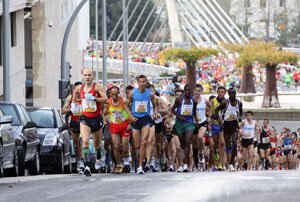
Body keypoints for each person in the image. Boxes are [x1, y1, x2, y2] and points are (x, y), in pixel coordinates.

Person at [71, 68, 108, 176]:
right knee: (85, 141)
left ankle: (98, 157)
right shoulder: (79, 88)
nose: (87, 77)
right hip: (85, 118)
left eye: (89, 75)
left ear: (93, 76)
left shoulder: (97, 87)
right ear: (83, 76)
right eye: (85, 75)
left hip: (96, 118)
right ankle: (87, 166)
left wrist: (94, 98)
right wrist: (73, 104)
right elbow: (74, 94)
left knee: (97, 145)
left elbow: (106, 99)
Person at [124, 75, 157, 174]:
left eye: (144, 82)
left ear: (146, 83)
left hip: (146, 119)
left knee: (144, 142)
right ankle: (139, 158)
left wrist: (155, 113)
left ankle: (140, 166)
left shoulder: (150, 93)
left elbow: (155, 104)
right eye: (140, 82)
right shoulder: (133, 93)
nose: (142, 83)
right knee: (137, 145)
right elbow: (125, 105)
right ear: (138, 83)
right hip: (135, 120)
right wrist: (131, 116)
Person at [216, 87, 243, 171]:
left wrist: (240, 117)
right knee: (228, 145)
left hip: (234, 124)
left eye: (234, 94)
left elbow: (241, 112)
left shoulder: (239, 103)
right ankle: (227, 161)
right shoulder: (225, 102)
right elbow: (216, 110)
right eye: (230, 94)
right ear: (228, 94)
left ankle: (231, 163)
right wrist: (220, 123)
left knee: (235, 142)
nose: (232, 95)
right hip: (226, 124)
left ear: (235, 94)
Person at [171, 84, 196, 172]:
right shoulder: (179, 100)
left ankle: (185, 164)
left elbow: (194, 111)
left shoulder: (194, 100)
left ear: (191, 91)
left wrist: (195, 121)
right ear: (184, 91)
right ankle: (181, 163)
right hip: (180, 123)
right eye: (187, 91)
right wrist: (179, 116)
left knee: (188, 141)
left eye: (190, 91)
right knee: (182, 144)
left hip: (189, 123)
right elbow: (172, 109)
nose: (188, 92)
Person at [106, 86, 130, 174]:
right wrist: (105, 118)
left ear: (119, 93)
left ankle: (124, 158)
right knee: (115, 146)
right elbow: (104, 112)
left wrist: (130, 124)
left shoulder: (123, 101)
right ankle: (118, 165)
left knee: (123, 148)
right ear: (110, 94)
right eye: (113, 95)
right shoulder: (108, 102)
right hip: (114, 126)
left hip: (125, 126)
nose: (115, 97)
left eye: (116, 94)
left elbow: (130, 112)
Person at [61, 81, 83, 173]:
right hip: (74, 122)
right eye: (76, 89)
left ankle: (83, 161)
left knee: (83, 141)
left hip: (84, 121)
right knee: (76, 144)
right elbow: (63, 110)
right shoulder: (70, 98)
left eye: (80, 89)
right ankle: (79, 161)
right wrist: (71, 109)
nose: (78, 91)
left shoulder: (84, 97)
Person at [211, 86, 226, 171]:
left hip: (222, 126)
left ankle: (221, 164)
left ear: (224, 93)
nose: (220, 93)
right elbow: (210, 114)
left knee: (223, 143)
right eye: (219, 92)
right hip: (214, 125)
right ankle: (216, 163)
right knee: (215, 145)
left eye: (222, 92)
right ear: (217, 92)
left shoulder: (226, 102)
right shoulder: (213, 101)